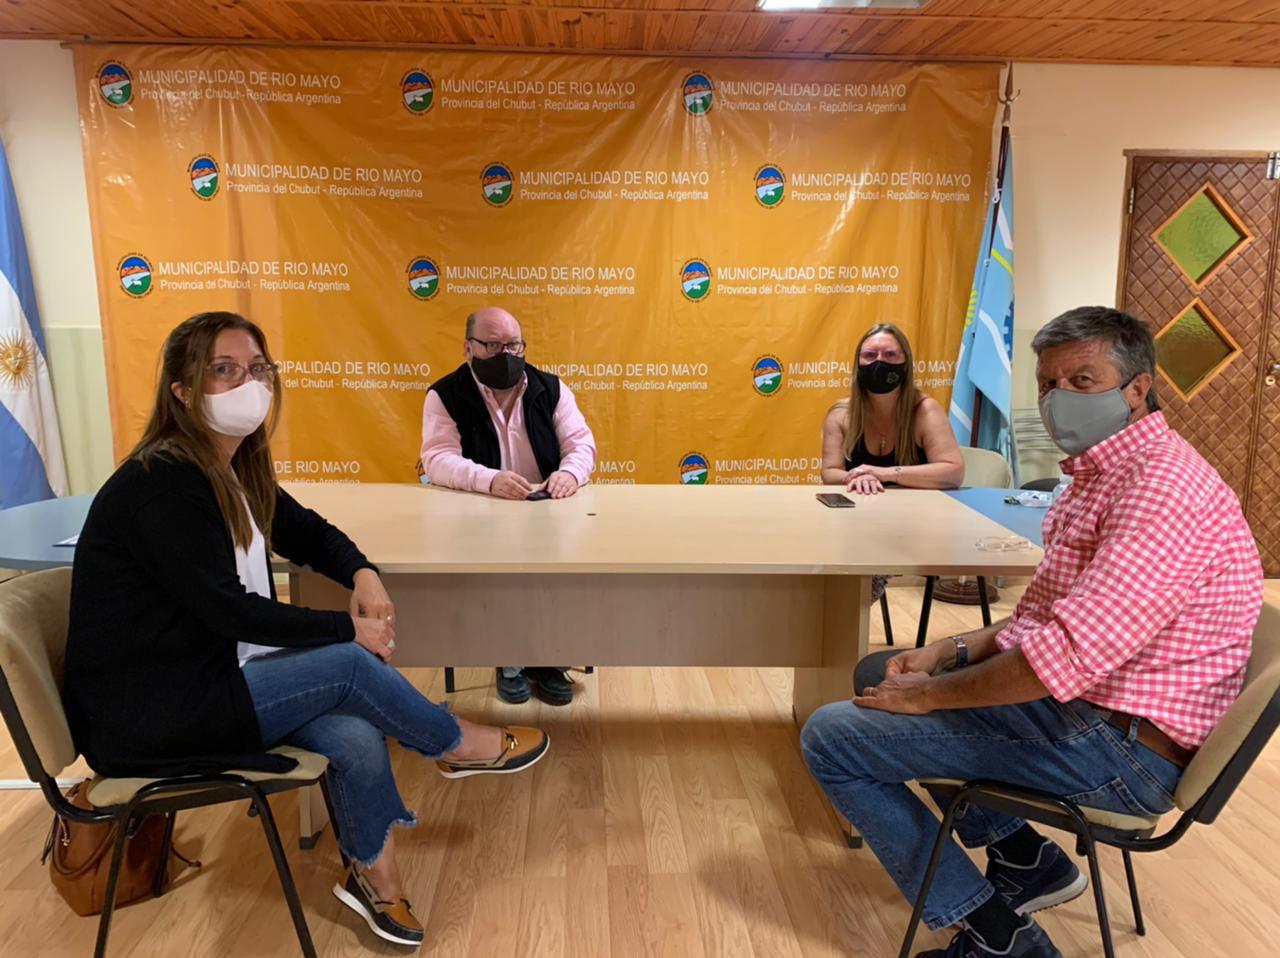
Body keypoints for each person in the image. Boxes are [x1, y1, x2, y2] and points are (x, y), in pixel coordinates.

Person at [63, 311, 549, 949]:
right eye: (223, 370)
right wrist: (347, 629)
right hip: (156, 712)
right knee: (348, 664)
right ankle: (453, 743)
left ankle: (376, 880)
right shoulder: (162, 485)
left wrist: (362, 573)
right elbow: (230, 611)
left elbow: (308, 532)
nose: (247, 384)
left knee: (353, 732)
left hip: (215, 678)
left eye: (257, 369)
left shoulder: (233, 466)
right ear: (181, 391)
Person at [801, 306, 1264, 958]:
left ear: (1137, 388)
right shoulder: (1100, 473)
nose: (1057, 399)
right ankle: (1025, 860)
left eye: (1082, 380)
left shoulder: (1160, 488)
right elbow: (1041, 622)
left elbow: (1063, 657)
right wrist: (948, 651)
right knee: (882, 673)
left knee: (832, 738)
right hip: (1097, 708)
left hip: (1123, 749)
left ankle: (998, 938)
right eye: (1048, 383)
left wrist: (931, 695)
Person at [419, 306, 596, 706]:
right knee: (499, 577)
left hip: (546, 509)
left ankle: (549, 660)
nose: (506, 355)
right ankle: (508, 658)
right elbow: (438, 459)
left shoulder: (551, 388)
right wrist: (489, 480)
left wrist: (569, 474)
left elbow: (581, 444)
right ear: (468, 348)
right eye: (493, 345)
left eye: (514, 345)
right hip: (483, 514)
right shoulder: (445, 394)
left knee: (557, 576)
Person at [821, 322, 965, 600]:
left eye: (890, 355)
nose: (879, 362)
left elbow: (953, 471)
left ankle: (848, 614)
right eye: (870, 356)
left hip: (914, 525)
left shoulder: (925, 410)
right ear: (858, 364)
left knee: (856, 578)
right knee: (828, 563)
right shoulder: (841, 414)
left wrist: (885, 473)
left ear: (905, 363)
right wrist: (858, 476)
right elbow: (830, 472)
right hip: (859, 523)